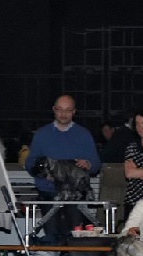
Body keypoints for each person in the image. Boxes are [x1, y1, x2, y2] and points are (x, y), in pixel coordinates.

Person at [25, 95, 101, 242]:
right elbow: (30, 163)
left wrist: (88, 164)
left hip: (75, 195)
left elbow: (96, 164)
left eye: (68, 110)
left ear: (74, 112)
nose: (63, 114)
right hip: (48, 193)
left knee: (75, 238)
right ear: (54, 110)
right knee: (52, 237)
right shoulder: (41, 135)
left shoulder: (84, 135)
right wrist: (40, 168)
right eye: (60, 110)